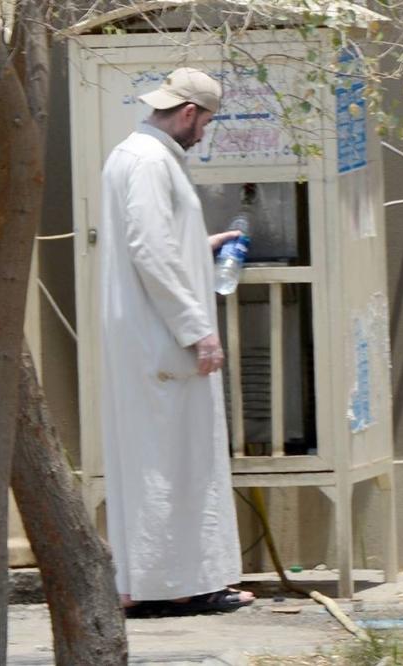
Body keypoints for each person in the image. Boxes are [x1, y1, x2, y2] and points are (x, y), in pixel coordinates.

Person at [98, 67, 254, 617]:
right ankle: (175, 585)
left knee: (158, 458)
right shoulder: (149, 161)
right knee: (173, 461)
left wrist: (199, 244)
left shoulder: (134, 155)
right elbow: (150, 250)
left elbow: (155, 243)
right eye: (205, 122)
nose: (204, 133)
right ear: (189, 112)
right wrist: (197, 329)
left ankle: (157, 582)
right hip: (160, 336)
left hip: (145, 333)